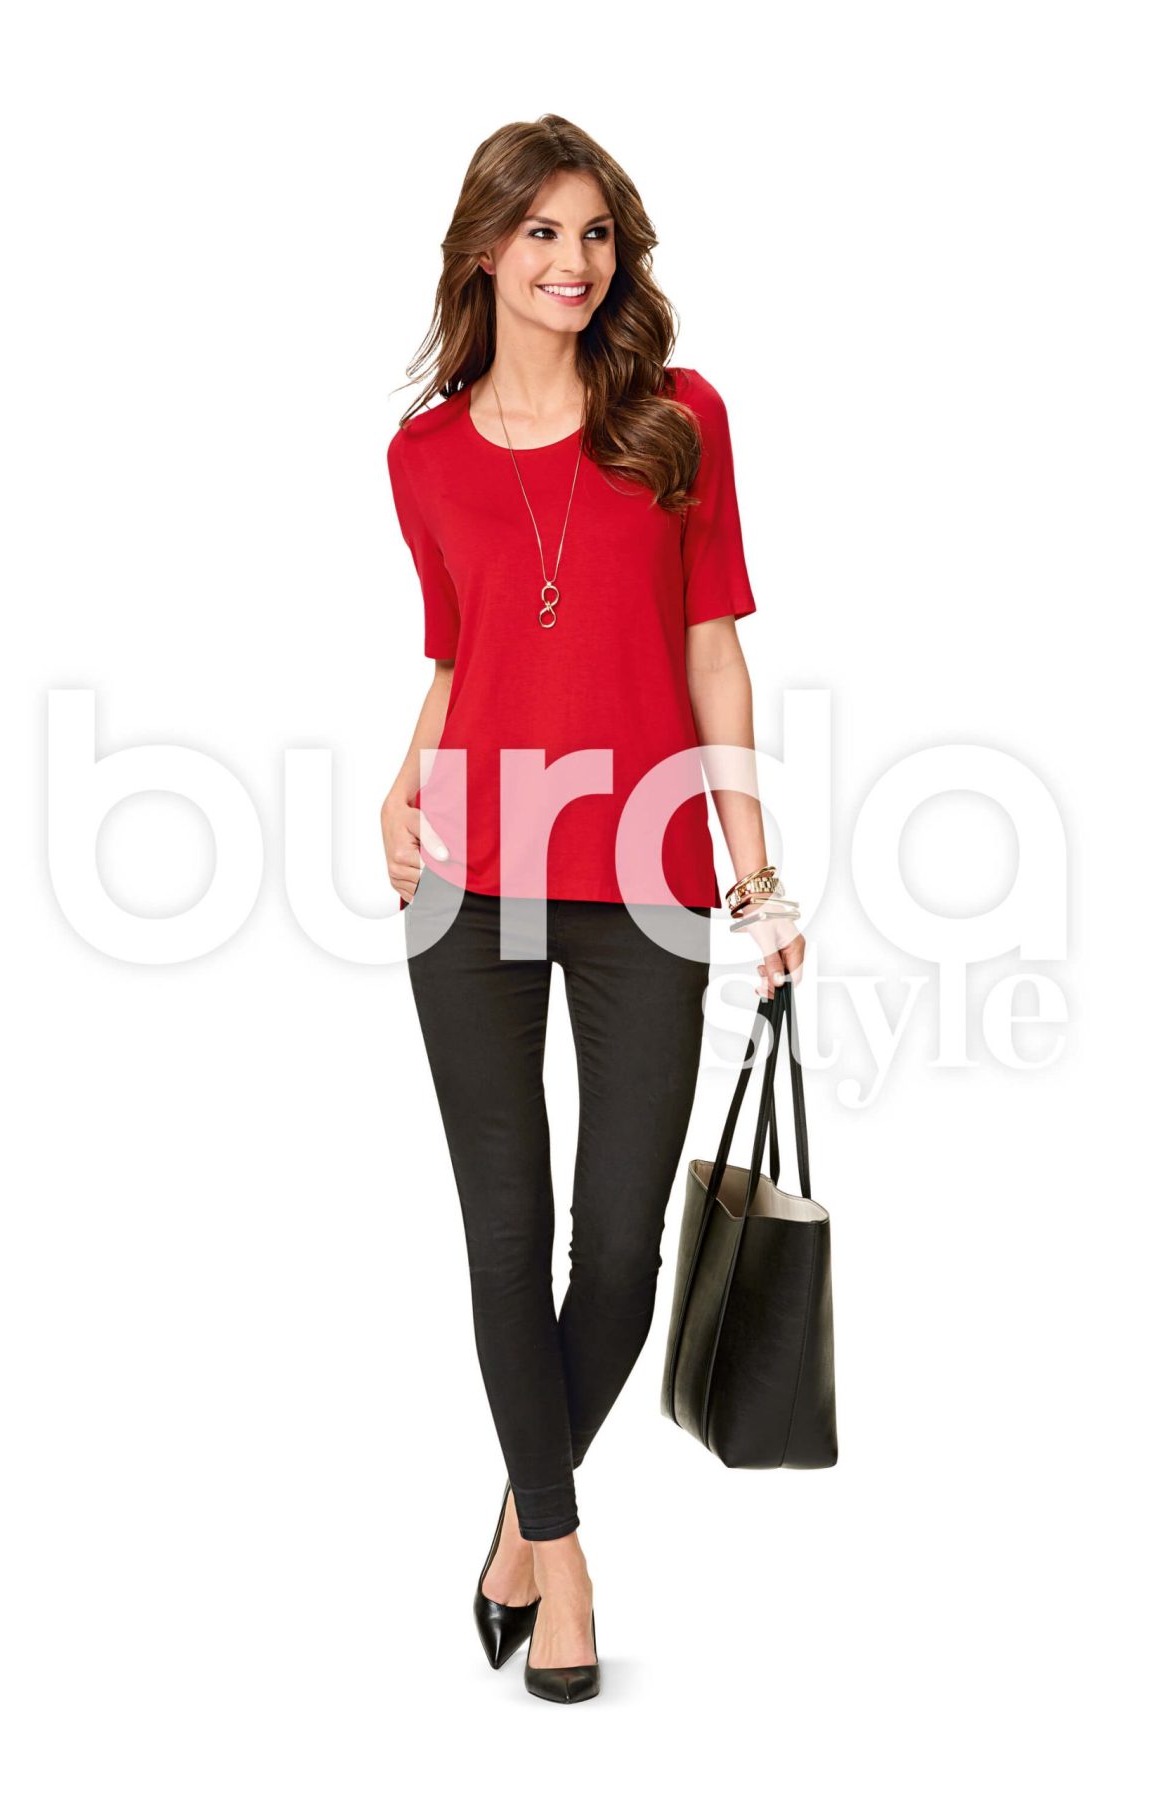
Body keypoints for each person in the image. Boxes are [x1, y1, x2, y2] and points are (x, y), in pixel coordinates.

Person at [380, 114, 806, 1704]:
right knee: (505, 1237)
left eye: (597, 233)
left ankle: (511, 1525)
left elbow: (712, 651)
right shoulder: (424, 457)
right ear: (486, 249)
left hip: (648, 876)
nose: (574, 263)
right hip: (469, 876)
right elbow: (460, 648)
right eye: (543, 232)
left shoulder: (678, 421)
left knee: (619, 1248)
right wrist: (400, 780)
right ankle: (563, 1563)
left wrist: (753, 869)